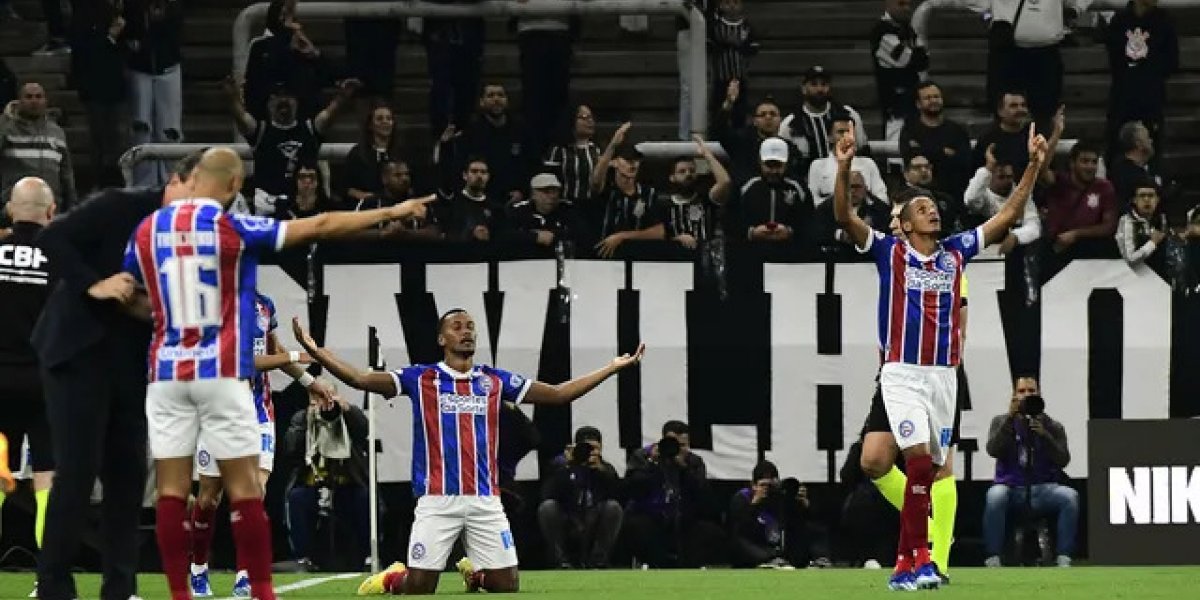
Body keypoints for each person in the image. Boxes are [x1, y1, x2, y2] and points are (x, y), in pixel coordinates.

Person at [121, 147, 434, 600]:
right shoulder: (232, 228)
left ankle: (210, 585)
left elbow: (131, 294)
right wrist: (391, 211)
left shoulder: (150, 231)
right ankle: (226, 579)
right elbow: (321, 225)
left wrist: (309, 380)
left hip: (192, 385)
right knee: (223, 495)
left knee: (184, 493)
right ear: (234, 186)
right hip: (220, 383)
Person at [289, 309, 645, 594]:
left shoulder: (494, 380)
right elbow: (361, 379)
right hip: (437, 499)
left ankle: (475, 575)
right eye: (457, 327)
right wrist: (318, 353)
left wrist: (612, 368)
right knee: (419, 589)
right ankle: (392, 578)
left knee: (506, 585)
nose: (466, 332)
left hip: (485, 500)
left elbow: (557, 394)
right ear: (442, 339)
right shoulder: (421, 377)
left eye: (471, 327)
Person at [832, 122, 1048, 590]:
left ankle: (913, 565)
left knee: (929, 468)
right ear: (906, 223)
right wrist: (844, 166)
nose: (932, 211)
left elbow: (1009, 215)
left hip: (943, 376)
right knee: (911, 461)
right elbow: (845, 216)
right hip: (902, 373)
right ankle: (919, 560)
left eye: (933, 206)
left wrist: (1034, 164)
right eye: (922, 208)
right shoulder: (889, 252)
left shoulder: (955, 254)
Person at [29, 150, 206, 600]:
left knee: (127, 475)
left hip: (130, 360)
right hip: (78, 351)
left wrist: (153, 308)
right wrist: (95, 283)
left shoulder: (196, 237)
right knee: (78, 469)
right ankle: (53, 585)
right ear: (177, 180)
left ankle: (121, 587)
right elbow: (52, 238)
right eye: (199, 192)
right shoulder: (120, 206)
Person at [188, 291, 337, 597]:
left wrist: (311, 382)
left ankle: (245, 575)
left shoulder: (264, 304)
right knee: (208, 499)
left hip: (258, 414)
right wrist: (296, 355)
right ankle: (198, 568)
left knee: (254, 494)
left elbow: (273, 350)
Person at [0, 178, 56, 595]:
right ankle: (48, 580)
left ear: (9, 210)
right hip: (45, 383)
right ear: (51, 212)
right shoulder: (62, 258)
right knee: (47, 481)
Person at [982, 376, 1077, 567]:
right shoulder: (1000, 421)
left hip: (1042, 489)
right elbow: (993, 450)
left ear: (1039, 394)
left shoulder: (1052, 425)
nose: (1026, 395)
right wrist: (1010, 420)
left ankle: (1064, 557)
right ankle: (993, 558)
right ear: (1014, 395)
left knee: (1070, 497)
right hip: (1010, 488)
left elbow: (1063, 460)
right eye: (1022, 391)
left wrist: (1045, 435)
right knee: (994, 496)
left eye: (1031, 391)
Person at [537, 426, 623, 569]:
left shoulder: (605, 468)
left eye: (593, 448)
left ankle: (598, 561)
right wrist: (569, 467)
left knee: (613, 507)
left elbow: (618, 497)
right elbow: (547, 494)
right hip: (568, 518)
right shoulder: (560, 467)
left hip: (594, 519)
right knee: (547, 508)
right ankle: (561, 561)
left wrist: (600, 471)